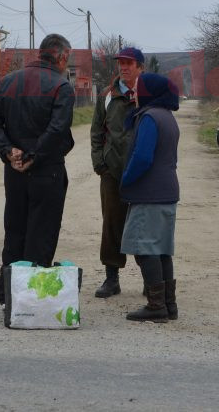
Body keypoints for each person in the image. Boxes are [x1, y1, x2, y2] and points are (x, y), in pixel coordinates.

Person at [0, 33, 75, 305]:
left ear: (41, 52)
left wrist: (9, 151)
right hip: (47, 171)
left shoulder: (7, 81)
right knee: (41, 233)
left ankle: (8, 296)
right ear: (62, 56)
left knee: (14, 230)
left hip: (14, 171)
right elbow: (58, 129)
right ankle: (32, 299)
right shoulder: (61, 86)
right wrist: (35, 156)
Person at [119, 72, 181, 323]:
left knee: (145, 249)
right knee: (162, 250)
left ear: (149, 92)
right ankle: (169, 305)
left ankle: (156, 307)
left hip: (150, 193)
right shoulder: (167, 116)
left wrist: (125, 179)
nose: (134, 91)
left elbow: (143, 157)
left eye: (138, 87)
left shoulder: (149, 118)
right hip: (167, 192)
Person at [89, 47, 144, 298]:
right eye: (121, 63)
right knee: (112, 223)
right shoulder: (106, 96)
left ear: (140, 67)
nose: (124, 67)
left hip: (142, 172)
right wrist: (99, 162)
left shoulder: (148, 94)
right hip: (112, 171)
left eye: (129, 63)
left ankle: (150, 280)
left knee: (144, 225)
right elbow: (96, 132)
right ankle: (112, 279)